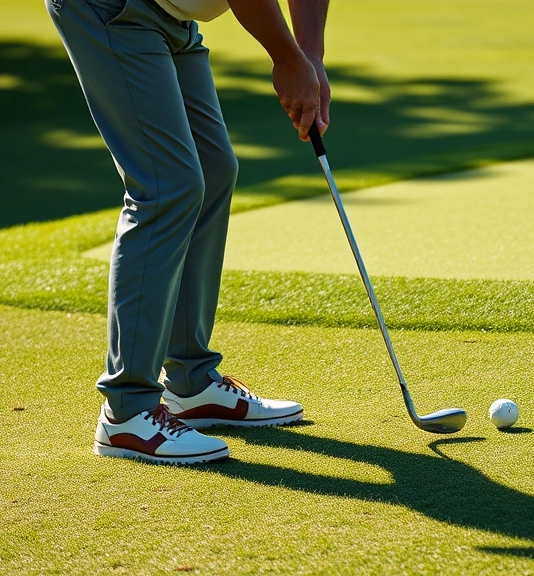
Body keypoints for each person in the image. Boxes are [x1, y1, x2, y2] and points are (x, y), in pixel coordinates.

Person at [46, 0, 330, 464]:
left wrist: (310, 56)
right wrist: (287, 58)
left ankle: (191, 381)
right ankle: (127, 411)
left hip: (173, 13)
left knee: (214, 170)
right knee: (166, 186)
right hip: (109, 6)